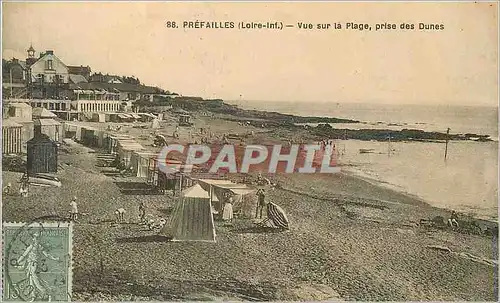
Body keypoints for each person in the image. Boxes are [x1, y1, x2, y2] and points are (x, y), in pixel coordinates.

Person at [16, 232, 60, 301]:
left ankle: (47, 293)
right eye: (35, 238)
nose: (36, 239)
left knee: (36, 280)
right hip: (30, 264)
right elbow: (24, 255)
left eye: (38, 238)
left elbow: (47, 255)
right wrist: (18, 261)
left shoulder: (39, 247)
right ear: (33, 239)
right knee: (32, 281)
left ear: (39, 239)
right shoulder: (31, 246)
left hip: (35, 265)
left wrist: (55, 258)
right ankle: (33, 297)